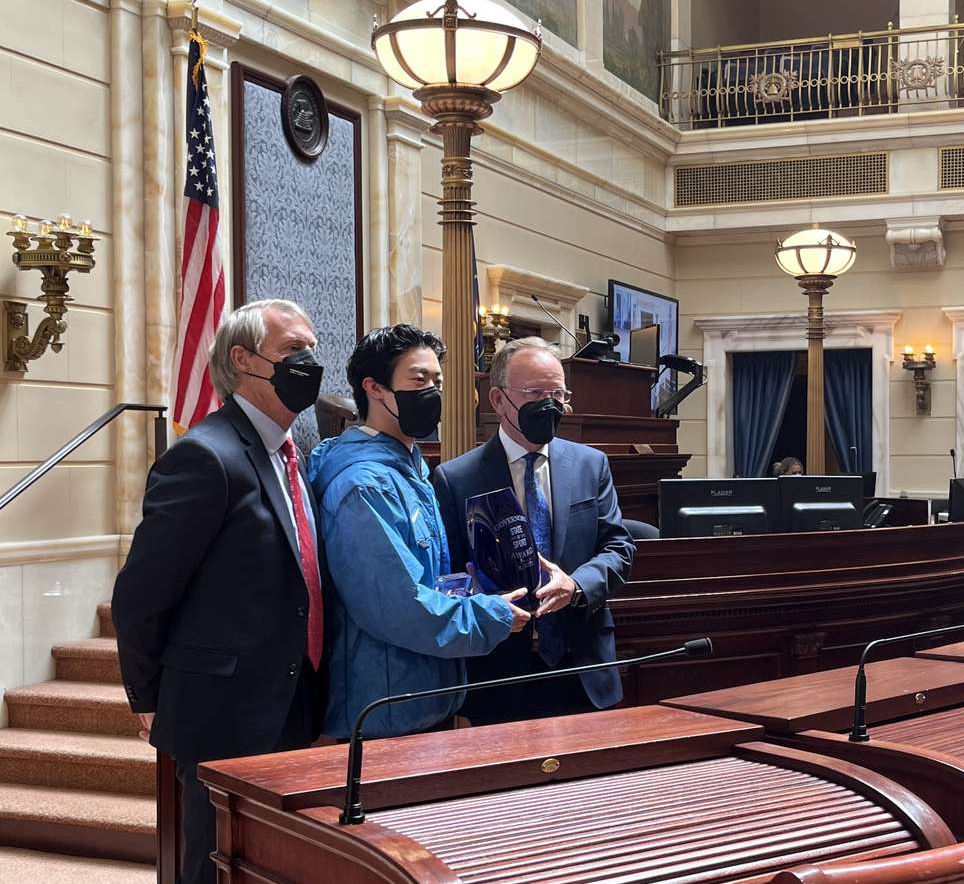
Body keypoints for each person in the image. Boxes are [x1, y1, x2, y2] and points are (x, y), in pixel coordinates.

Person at [112, 299, 329, 884]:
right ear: (244, 360)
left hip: (296, 700)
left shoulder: (292, 454)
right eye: (292, 351)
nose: (309, 362)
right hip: (221, 714)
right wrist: (149, 696)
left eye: (312, 349)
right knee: (215, 869)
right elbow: (142, 593)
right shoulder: (204, 456)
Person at [307, 325, 529, 739]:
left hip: (422, 693)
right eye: (418, 380)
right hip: (385, 705)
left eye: (437, 381)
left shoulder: (409, 467)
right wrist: (490, 616)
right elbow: (396, 606)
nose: (432, 391)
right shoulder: (365, 484)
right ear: (374, 388)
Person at [432, 337, 635, 724]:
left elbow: (618, 547)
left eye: (558, 393)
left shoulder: (590, 465)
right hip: (500, 674)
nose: (550, 404)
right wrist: (488, 602)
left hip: (582, 667)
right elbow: (449, 572)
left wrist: (576, 585)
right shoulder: (456, 478)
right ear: (498, 400)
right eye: (536, 392)